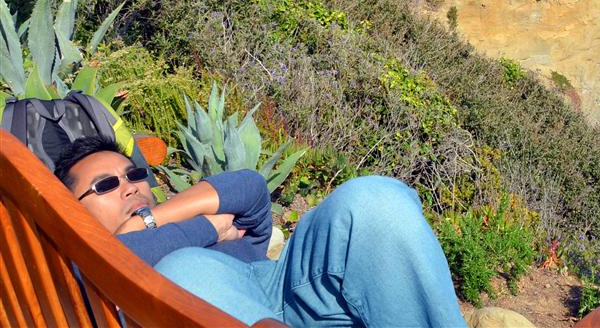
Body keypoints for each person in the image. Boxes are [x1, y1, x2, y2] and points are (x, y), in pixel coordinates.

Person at [54, 136, 467, 328]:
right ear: (72, 210)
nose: (129, 186)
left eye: (134, 173)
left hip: (289, 287)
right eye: (106, 185)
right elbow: (121, 260)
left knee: (372, 200)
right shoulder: (73, 263)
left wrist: (152, 219)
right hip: (221, 308)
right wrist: (204, 228)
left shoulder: (166, 215)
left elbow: (250, 188)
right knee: (182, 267)